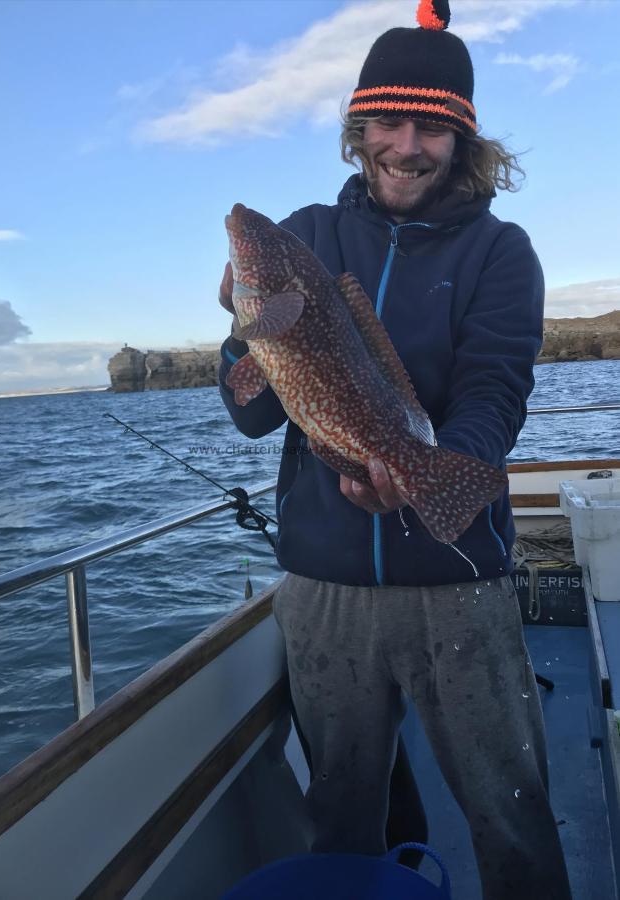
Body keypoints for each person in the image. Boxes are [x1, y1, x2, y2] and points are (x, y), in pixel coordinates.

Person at [218, 1, 572, 897]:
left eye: (430, 126)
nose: (405, 145)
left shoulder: (501, 251)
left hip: (459, 581)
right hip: (324, 585)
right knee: (340, 819)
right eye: (386, 122)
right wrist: (242, 335)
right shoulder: (306, 234)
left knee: (511, 814)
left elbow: (496, 392)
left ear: (462, 139)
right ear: (357, 128)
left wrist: (429, 477)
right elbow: (255, 417)